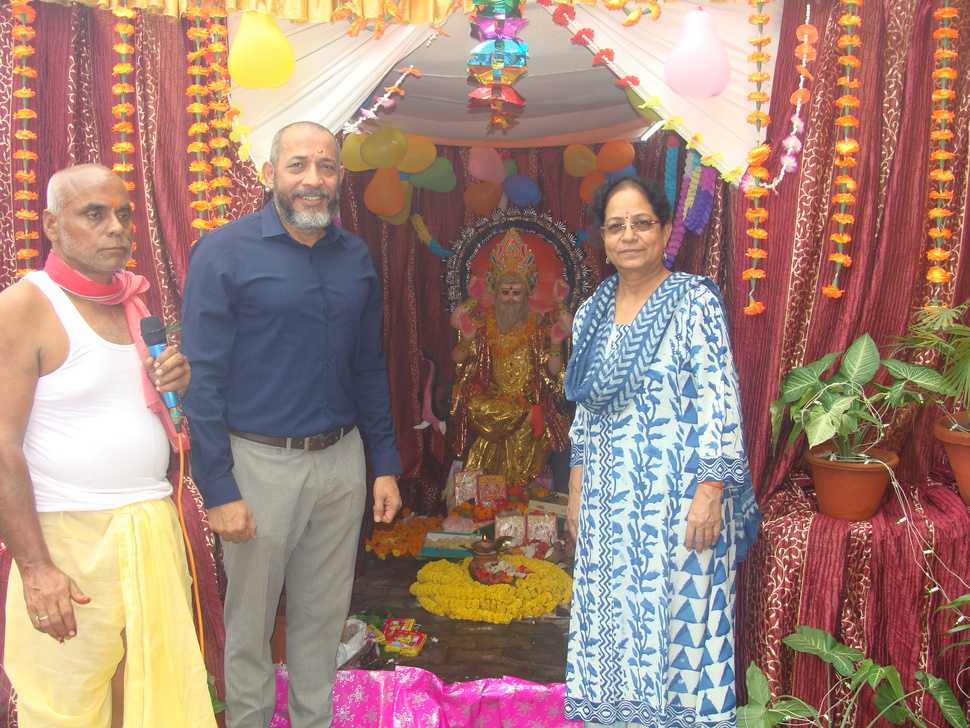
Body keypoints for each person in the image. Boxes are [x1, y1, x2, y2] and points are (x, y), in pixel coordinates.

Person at [181, 121, 403, 728]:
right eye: (298, 165)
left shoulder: (354, 255)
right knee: (250, 627)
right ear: (269, 174)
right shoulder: (223, 252)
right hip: (259, 466)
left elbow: (368, 365)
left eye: (326, 167)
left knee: (322, 620)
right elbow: (204, 380)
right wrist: (219, 489)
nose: (313, 180)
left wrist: (383, 463)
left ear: (339, 177)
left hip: (341, 461)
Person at [0, 164, 215, 727]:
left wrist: (178, 383)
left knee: (149, 693)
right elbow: (1, 446)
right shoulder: (24, 306)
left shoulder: (134, 302)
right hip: (68, 535)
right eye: (94, 214)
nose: (116, 227)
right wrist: (36, 568)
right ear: (52, 224)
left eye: (123, 213)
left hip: (147, 523)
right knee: (66, 706)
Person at [562, 176, 761, 728]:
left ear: (667, 231)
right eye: (616, 226)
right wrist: (576, 491)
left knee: (680, 627)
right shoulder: (590, 315)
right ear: (602, 240)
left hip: (679, 504)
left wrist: (711, 491)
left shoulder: (693, 300)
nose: (629, 236)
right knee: (612, 625)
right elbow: (584, 413)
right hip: (608, 503)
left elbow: (721, 399)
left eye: (642, 223)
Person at [450, 230, 571, 492]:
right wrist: (469, 327)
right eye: (505, 292)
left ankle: (516, 491)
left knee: (526, 435)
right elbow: (457, 354)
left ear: (526, 294)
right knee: (474, 407)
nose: (510, 298)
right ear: (496, 293)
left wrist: (556, 337)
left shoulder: (538, 327)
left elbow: (555, 366)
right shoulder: (484, 326)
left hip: (529, 401)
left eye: (517, 293)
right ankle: (526, 416)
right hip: (495, 407)